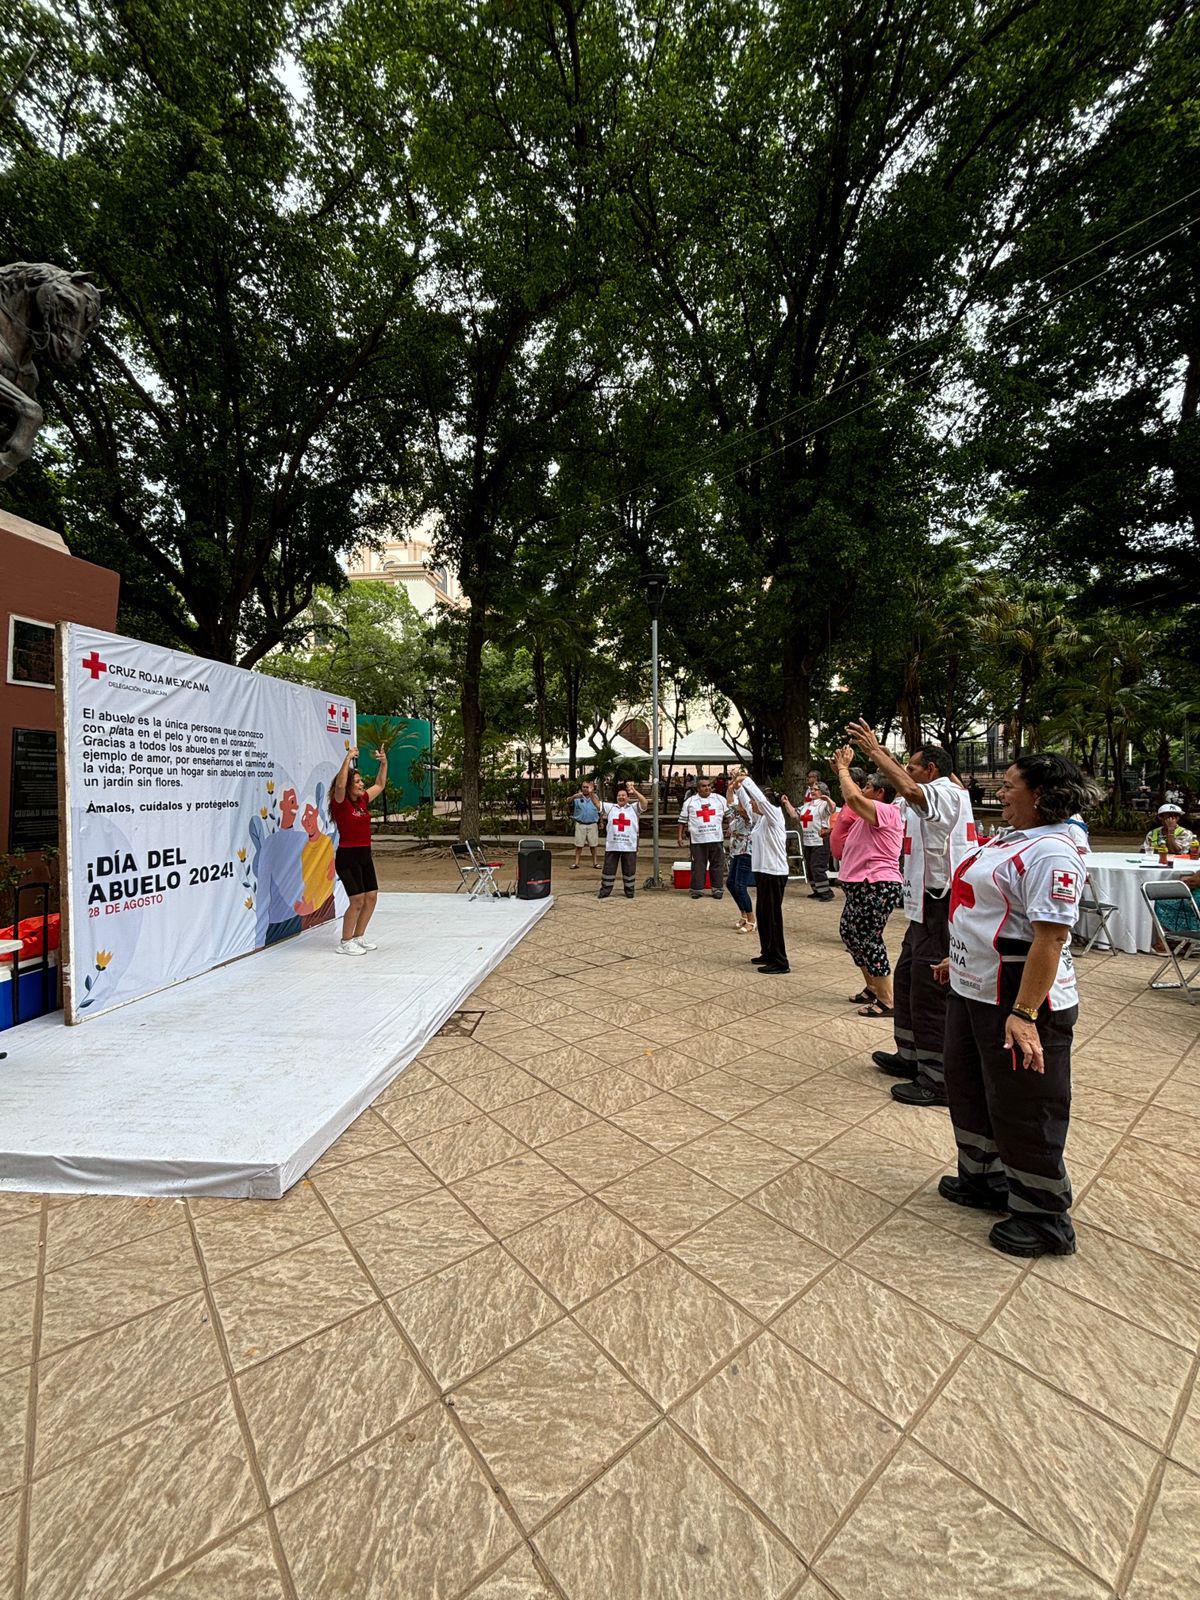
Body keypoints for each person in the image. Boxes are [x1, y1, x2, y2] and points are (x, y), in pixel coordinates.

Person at [932, 752, 1091, 1258]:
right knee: (972, 1086)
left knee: (1026, 1104)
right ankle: (984, 1179)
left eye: (1008, 786)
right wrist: (955, 956)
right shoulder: (1013, 838)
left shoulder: (1053, 852)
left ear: (1040, 794)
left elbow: (1049, 938)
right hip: (974, 986)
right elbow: (983, 907)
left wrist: (1024, 1014)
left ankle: (1043, 1217)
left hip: (1018, 994)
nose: (999, 794)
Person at [847, 723, 976, 1107]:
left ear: (931, 769)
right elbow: (883, 801)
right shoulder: (924, 794)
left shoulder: (945, 793)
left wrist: (875, 752)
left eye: (913, 765)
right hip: (922, 903)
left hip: (943, 902)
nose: (907, 770)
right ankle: (910, 1054)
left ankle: (937, 1079)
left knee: (930, 987)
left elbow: (909, 790)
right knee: (906, 978)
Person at [828, 750, 906, 1015]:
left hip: (877, 884)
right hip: (859, 885)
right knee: (850, 934)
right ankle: (872, 987)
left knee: (869, 939)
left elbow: (851, 796)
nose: (862, 790)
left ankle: (888, 1000)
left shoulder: (887, 812)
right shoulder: (868, 813)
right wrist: (840, 772)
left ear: (881, 793)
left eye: (868, 787)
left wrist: (843, 770)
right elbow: (850, 797)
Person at [729, 770, 790, 973]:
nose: (752, 805)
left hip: (775, 873)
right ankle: (767, 952)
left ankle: (780, 961)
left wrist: (746, 780)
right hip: (764, 872)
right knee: (763, 915)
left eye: (756, 801)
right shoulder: (761, 820)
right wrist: (738, 788)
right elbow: (748, 804)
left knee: (773, 917)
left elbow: (761, 801)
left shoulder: (775, 816)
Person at [330, 744, 388, 955]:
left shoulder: (362, 800)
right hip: (348, 857)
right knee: (357, 900)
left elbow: (380, 784)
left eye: (361, 780)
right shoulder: (340, 802)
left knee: (371, 897)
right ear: (348, 786)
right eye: (357, 781)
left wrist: (384, 763)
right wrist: (347, 759)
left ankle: (358, 936)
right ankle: (345, 942)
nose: (362, 784)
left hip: (365, 855)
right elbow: (339, 785)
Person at [254, 785, 308, 948]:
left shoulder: (302, 837)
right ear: (282, 805)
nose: (296, 807)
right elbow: (263, 888)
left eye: (296, 803)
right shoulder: (271, 842)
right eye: (291, 802)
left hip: (295, 915)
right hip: (276, 919)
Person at [782, 771, 835, 901]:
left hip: (820, 841)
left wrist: (826, 798)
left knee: (817, 867)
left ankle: (826, 892)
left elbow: (832, 808)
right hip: (808, 841)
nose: (812, 791)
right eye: (811, 789)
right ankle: (817, 890)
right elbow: (794, 814)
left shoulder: (823, 805)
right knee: (810, 868)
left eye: (815, 790)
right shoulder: (807, 805)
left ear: (821, 791)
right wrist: (786, 803)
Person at [677, 774, 728, 899]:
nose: (707, 788)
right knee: (698, 865)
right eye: (704, 786)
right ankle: (697, 889)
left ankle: (717, 889)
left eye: (709, 785)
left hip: (716, 838)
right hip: (698, 840)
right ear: (698, 788)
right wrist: (680, 836)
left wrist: (731, 828)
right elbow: (682, 821)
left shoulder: (719, 799)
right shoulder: (690, 802)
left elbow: (730, 815)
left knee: (717, 864)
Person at [597, 782, 648, 900]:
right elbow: (597, 804)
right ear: (616, 798)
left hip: (629, 846)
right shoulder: (611, 808)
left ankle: (629, 891)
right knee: (608, 869)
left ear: (628, 798)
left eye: (624, 795)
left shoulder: (634, 808)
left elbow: (644, 802)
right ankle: (605, 890)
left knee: (629, 869)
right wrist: (591, 793)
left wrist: (634, 790)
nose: (621, 797)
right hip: (612, 845)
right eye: (619, 795)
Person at [724, 772, 755, 933]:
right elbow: (730, 801)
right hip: (735, 850)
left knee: (740, 885)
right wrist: (732, 786)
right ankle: (743, 914)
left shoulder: (751, 811)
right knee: (730, 883)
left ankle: (752, 920)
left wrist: (739, 787)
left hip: (746, 850)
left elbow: (743, 809)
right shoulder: (734, 812)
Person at [567, 780, 602, 870]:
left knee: (593, 845)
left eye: (587, 787)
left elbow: (600, 810)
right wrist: (574, 796)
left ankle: (595, 863)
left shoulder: (595, 797)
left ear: (591, 788)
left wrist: (601, 822)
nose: (586, 789)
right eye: (584, 787)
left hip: (592, 824)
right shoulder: (577, 797)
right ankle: (576, 863)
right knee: (579, 845)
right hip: (580, 824)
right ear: (581, 788)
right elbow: (568, 802)